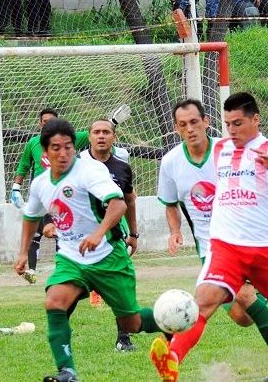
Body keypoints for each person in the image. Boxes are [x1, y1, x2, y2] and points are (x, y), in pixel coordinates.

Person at [150, 92, 268, 382]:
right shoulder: (221, 149)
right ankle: (172, 360)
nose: (232, 130)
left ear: (256, 119)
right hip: (226, 247)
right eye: (228, 124)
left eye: (238, 123)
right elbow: (189, 168)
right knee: (202, 304)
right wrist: (177, 230)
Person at [15, 118, 162, 382]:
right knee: (54, 301)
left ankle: (166, 321)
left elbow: (118, 204)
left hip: (108, 255)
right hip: (72, 257)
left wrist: (97, 233)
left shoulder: (89, 171)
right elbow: (30, 216)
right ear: (45, 153)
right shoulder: (40, 184)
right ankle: (67, 371)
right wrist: (23, 253)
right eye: (56, 148)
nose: (63, 154)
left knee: (132, 323)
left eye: (68, 147)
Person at [77, 118, 138, 352]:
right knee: (66, 291)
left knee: (121, 289)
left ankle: (124, 339)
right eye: (96, 132)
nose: (101, 136)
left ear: (114, 137)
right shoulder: (77, 165)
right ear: (89, 136)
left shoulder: (122, 168)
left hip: (112, 238)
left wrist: (133, 233)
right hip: (81, 240)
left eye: (106, 132)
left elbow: (130, 200)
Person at [11, 109, 90, 284]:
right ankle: (31, 270)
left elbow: (92, 132)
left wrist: (112, 122)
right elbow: (24, 165)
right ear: (40, 124)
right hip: (40, 196)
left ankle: (63, 269)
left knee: (59, 232)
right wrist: (16, 187)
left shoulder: (69, 141)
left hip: (63, 196)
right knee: (36, 233)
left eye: (51, 121)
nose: (47, 124)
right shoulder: (32, 143)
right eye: (44, 121)